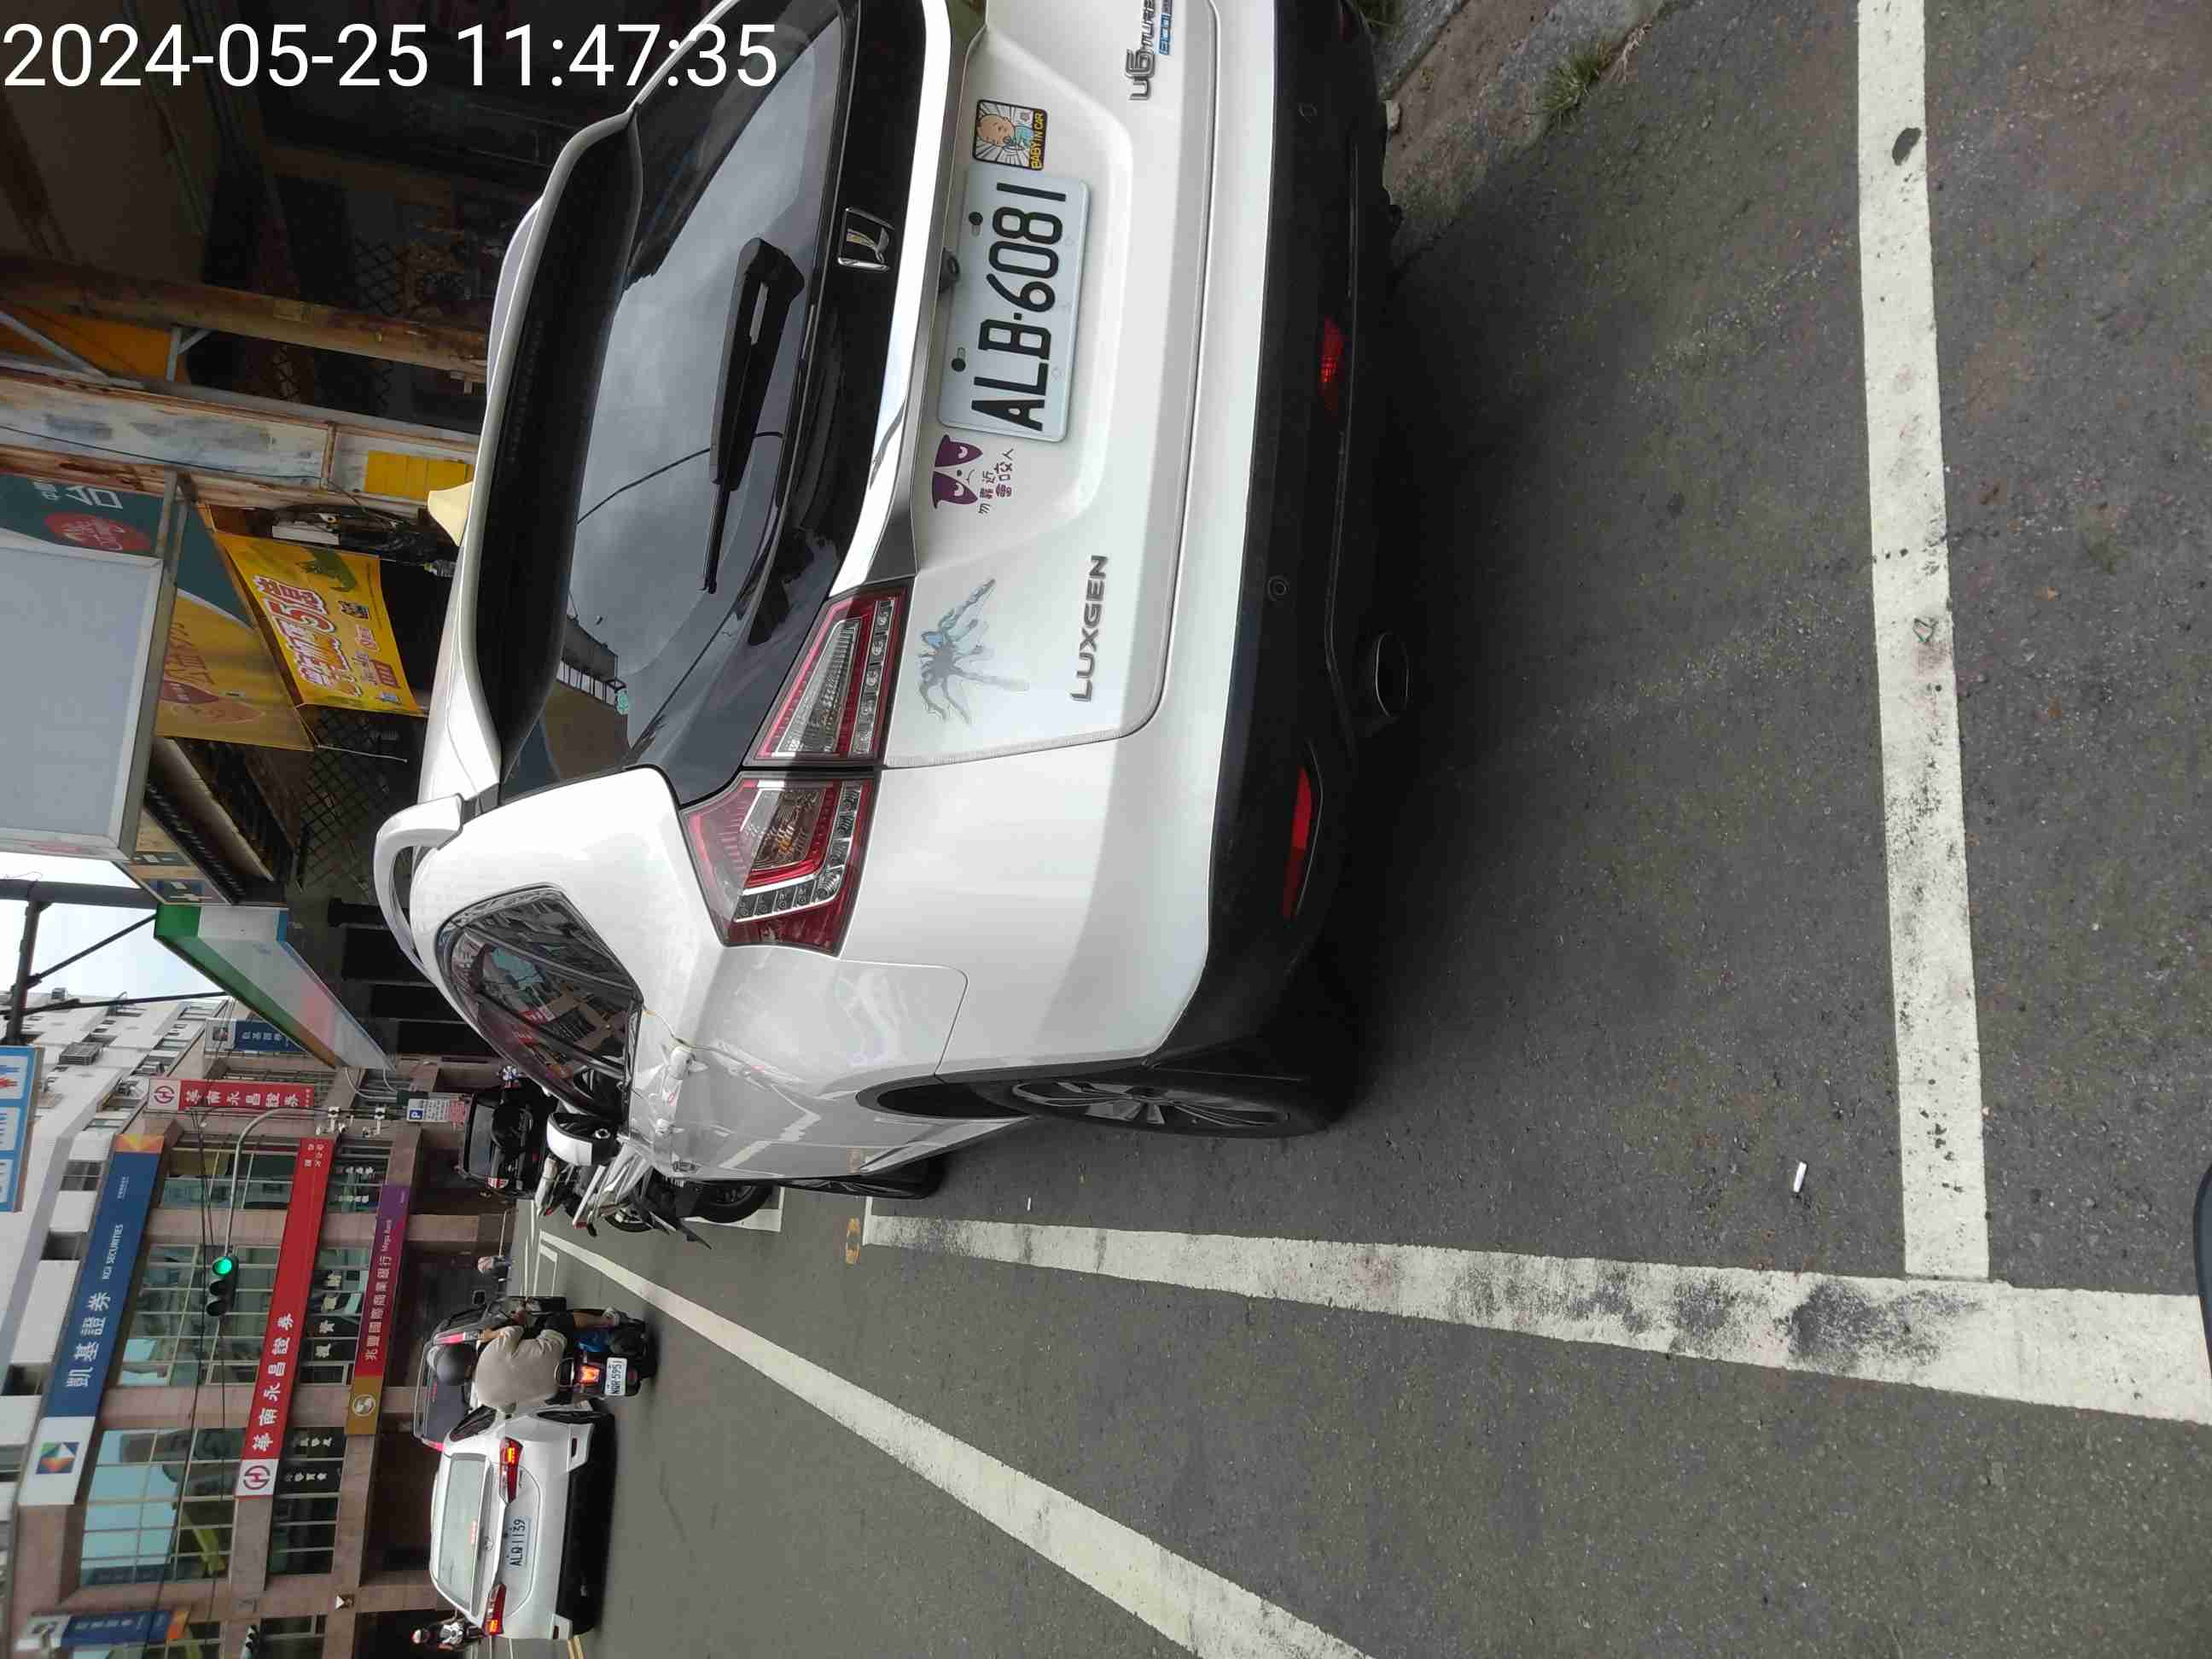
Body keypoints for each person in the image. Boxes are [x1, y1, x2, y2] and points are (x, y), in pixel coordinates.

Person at [428, 1306, 627, 1413]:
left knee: (555, 1399)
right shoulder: (487, 1350)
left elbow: (509, 1408)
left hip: (557, 1387)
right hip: (556, 1349)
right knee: (557, 1321)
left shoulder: (485, 1398)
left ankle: (599, 1392)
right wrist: (491, 1335)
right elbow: (515, 1330)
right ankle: (608, 1320)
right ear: (461, 1353)